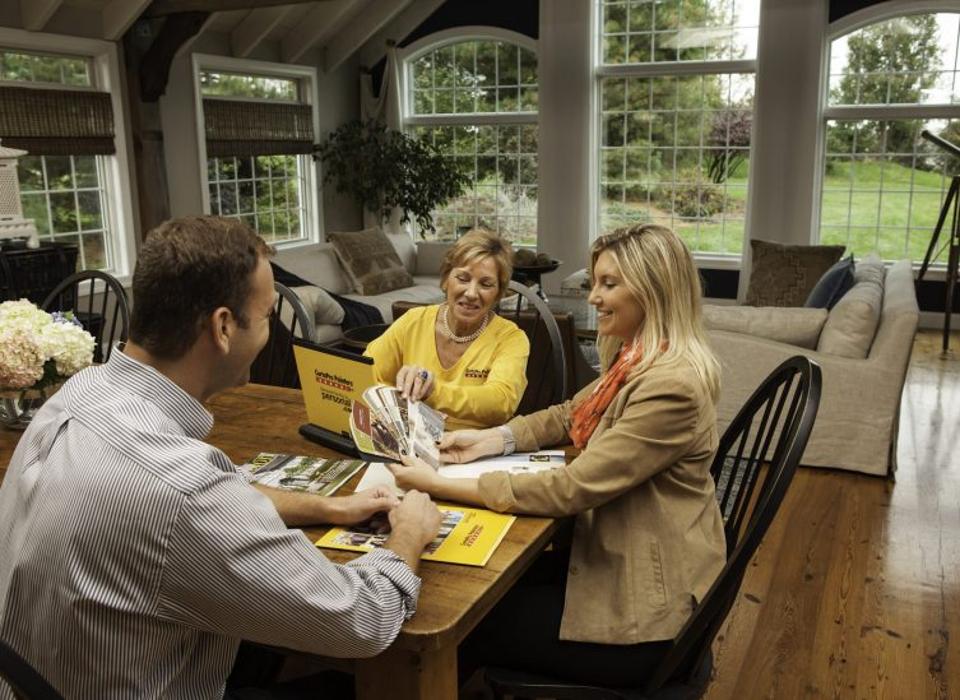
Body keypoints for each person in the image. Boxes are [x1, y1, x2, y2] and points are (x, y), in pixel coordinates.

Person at [0, 216, 442, 699]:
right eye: (268, 315)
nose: (272, 330)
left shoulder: (78, 393)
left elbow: (192, 504)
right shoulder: (183, 486)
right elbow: (362, 621)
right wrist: (408, 534)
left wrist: (327, 507)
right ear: (224, 327)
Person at [389, 223, 727, 687]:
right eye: (596, 282)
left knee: (451, 617)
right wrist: (492, 440)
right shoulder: (640, 358)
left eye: (609, 284)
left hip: (645, 617)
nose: (594, 297)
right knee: (473, 582)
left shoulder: (671, 386)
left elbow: (573, 487)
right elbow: (570, 413)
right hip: (618, 557)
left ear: (654, 290)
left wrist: (440, 484)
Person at [364, 229, 530, 429]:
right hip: (413, 438)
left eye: (486, 284)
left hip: (476, 444)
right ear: (445, 280)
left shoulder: (511, 339)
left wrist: (433, 391)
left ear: (498, 294)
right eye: (463, 278)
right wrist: (396, 402)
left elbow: (501, 402)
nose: (471, 293)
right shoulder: (413, 321)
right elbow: (365, 372)